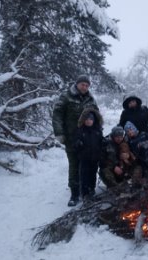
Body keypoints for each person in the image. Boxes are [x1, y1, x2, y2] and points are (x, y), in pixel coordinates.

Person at [52, 75, 98, 206]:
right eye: (82, 84)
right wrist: (59, 133)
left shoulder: (91, 99)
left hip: (88, 139)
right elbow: (57, 115)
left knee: (87, 164)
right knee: (74, 165)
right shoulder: (66, 96)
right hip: (71, 138)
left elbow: (97, 116)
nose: (85, 87)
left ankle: (88, 190)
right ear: (77, 84)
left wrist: (98, 132)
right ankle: (74, 193)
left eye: (87, 85)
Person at [73, 109, 103, 201]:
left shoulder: (98, 131)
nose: (88, 121)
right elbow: (74, 143)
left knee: (93, 174)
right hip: (84, 158)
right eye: (86, 119)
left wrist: (104, 143)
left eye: (90, 119)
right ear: (83, 120)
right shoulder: (80, 131)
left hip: (95, 157)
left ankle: (92, 189)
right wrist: (77, 143)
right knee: (84, 175)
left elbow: (100, 142)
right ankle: (85, 193)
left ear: (93, 120)